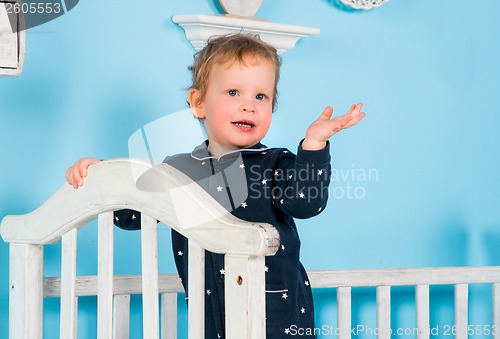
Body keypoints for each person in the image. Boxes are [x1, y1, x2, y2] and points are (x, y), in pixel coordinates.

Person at [66, 33, 365, 338]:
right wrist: (99, 174)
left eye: (260, 97)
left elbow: (305, 203)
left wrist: (314, 144)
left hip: (275, 313)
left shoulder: (276, 163)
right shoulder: (178, 170)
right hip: (209, 314)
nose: (248, 106)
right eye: (233, 92)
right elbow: (133, 213)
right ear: (198, 103)